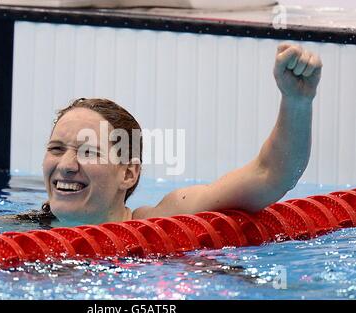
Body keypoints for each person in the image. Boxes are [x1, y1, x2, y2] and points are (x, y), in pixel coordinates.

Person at [17, 42, 323, 227]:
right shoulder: (18, 230)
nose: (66, 164)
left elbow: (271, 175)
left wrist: (297, 102)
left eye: (88, 152)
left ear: (128, 172)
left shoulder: (168, 219)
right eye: (57, 148)